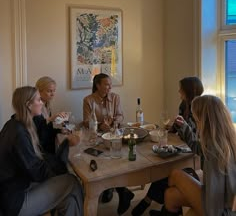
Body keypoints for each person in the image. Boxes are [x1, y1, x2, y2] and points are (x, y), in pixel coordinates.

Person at [0, 86, 84, 216]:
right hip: (15, 202)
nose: (41, 103)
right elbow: (38, 172)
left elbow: (37, 163)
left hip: (18, 187)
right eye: (39, 100)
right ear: (28, 105)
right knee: (72, 182)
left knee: (69, 197)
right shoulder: (19, 134)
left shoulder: (14, 124)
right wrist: (61, 168)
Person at [132, 77, 204, 216]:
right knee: (164, 164)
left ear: (187, 91)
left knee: (168, 169)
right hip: (183, 144)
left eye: (181, 89)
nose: (178, 91)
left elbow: (195, 135)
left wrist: (182, 128)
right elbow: (180, 126)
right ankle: (161, 206)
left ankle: (149, 200)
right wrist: (171, 127)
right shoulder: (184, 104)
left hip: (191, 149)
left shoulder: (199, 108)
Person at [161, 95, 236, 216]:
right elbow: (199, 148)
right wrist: (184, 128)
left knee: (175, 174)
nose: (196, 125)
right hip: (220, 202)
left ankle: (151, 197)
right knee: (170, 195)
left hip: (220, 210)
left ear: (204, 121)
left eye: (196, 120)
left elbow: (213, 207)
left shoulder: (215, 151)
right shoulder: (224, 141)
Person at [83, 73, 134, 215]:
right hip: (98, 137)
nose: (110, 87)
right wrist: (100, 125)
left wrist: (114, 122)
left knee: (117, 159)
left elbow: (120, 115)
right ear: (97, 85)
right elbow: (87, 121)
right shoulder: (88, 100)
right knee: (103, 161)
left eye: (110, 84)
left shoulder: (116, 97)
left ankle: (117, 188)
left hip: (114, 134)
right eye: (106, 84)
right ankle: (113, 188)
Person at [34, 76, 68, 154]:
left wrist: (60, 130)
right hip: (40, 150)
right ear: (39, 91)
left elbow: (47, 130)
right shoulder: (35, 108)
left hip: (48, 146)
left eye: (54, 91)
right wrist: (50, 119)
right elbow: (37, 132)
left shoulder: (47, 105)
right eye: (49, 91)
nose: (52, 94)